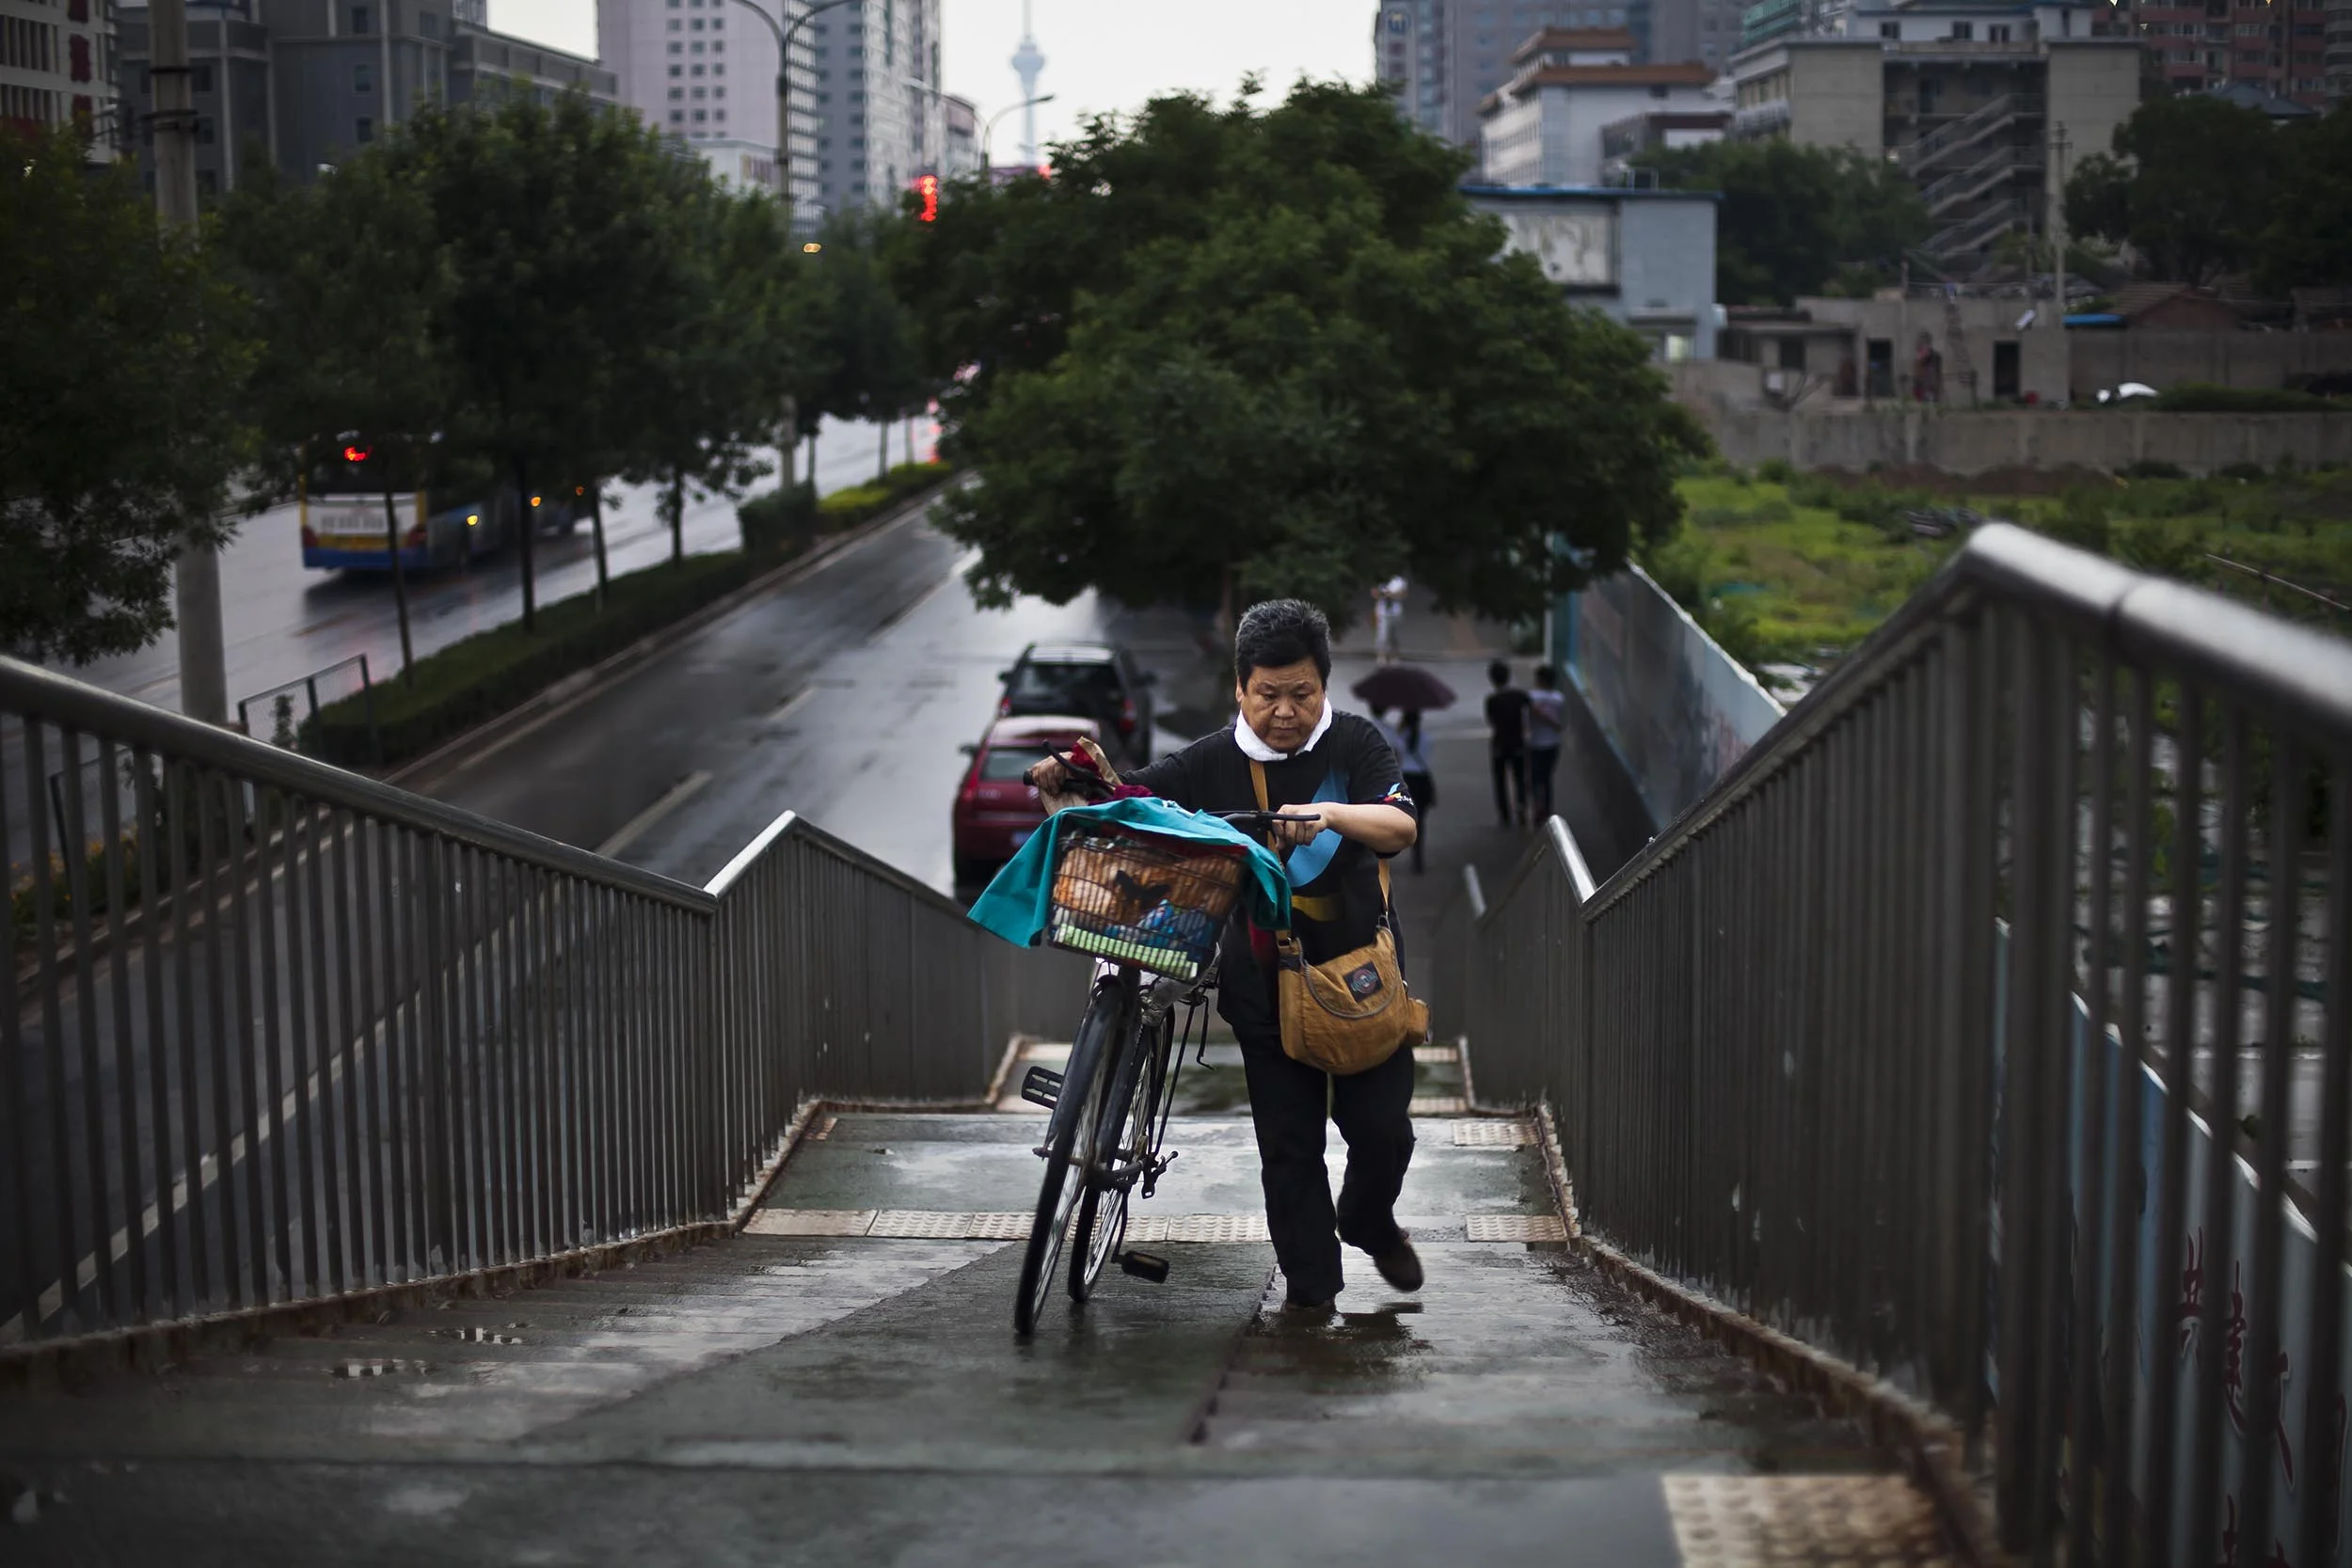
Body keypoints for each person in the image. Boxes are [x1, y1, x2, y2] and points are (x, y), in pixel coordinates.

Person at [1025, 600, 1422, 1316]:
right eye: (1267, 694)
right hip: (1263, 982)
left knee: (1384, 1131)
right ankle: (1312, 1295)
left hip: (1360, 975)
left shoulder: (1356, 745)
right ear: (1239, 688)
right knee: (1288, 1147)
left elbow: (1399, 824)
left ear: (1324, 686)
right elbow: (1133, 800)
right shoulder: (1210, 760)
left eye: (1301, 693)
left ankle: (1367, 1217)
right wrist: (1075, 779)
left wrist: (1329, 815)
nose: (1284, 711)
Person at [1484, 659, 1530, 827]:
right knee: (1519, 777)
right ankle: (1522, 807)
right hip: (1518, 742)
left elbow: (1491, 721)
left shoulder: (1492, 700)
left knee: (1500, 780)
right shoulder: (1520, 696)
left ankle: (1504, 814)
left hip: (1499, 744)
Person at [1525, 665, 1565, 823]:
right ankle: (1548, 810)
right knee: (1547, 779)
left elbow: (1526, 719)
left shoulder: (1531, 697)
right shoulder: (1559, 698)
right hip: (1553, 744)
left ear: (1539, 680)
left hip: (1535, 743)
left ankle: (1537, 809)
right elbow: (1563, 721)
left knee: (1535, 779)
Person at [1372, 576, 1406, 664]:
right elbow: (1375, 594)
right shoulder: (1380, 582)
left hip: (1396, 612)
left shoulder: (1399, 581)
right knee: (1382, 636)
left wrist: (1390, 594)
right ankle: (1381, 655)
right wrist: (1384, 594)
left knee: (1394, 636)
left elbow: (1403, 594)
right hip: (1383, 613)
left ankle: (1394, 656)